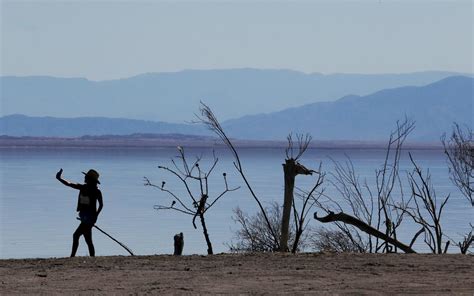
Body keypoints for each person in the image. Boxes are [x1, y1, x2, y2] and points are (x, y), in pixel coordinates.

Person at [56, 168, 103, 257]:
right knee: (88, 239)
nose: (84, 178)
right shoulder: (84, 187)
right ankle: (92, 258)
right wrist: (60, 178)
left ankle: (72, 256)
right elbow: (69, 184)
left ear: (90, 180)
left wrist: (95, 216)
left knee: (76, 235)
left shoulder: (96, 191)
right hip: (86, 218)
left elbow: (101, 205)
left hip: (89, 219)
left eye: (86, 177)